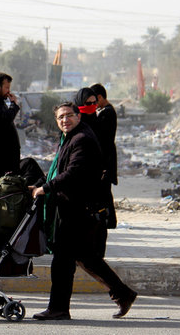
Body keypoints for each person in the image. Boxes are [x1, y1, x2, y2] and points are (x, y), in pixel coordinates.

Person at [31, 102, 137, 320]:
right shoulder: (71, 138)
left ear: (78, 116)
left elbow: (74, 172)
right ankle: (123, 293)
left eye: (69, 115)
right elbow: (62, 169)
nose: (64, 120)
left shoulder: (82, 139)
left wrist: (46, 188)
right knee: (86, 258)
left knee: (63, 261)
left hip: (79, 209)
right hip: (75, 208)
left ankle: (58, 308)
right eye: (60, 117)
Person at [90, 83, 118, 235]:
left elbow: (101, 137)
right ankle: (109, 219)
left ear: (100, 97)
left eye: (94, 101)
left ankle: (110, 220)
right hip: (107, 156)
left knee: (105, 190)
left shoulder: (107, 113)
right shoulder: (106, 112)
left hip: (106, 157)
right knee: (105, 190)